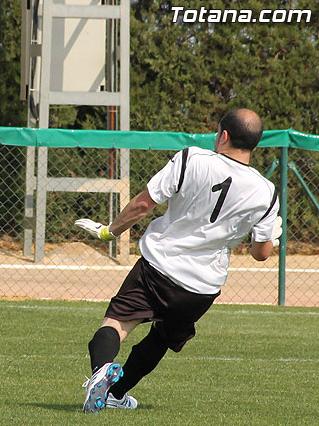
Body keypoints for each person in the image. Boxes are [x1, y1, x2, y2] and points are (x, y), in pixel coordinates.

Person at [75, 109, 281, 413]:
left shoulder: (192, 159)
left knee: (116, 324)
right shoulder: (267, 192)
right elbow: (260, 254)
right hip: (201, 287)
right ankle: (116, 394)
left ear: (223, 135)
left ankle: (102, 371)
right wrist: (271, 239)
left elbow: (143, 204)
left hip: (159, 267)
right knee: (160, 339)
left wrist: (109, 232)